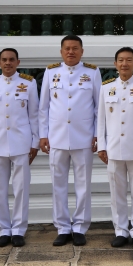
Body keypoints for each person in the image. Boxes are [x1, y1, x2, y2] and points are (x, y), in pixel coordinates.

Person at [39, 35, 101, 247]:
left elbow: (98, 107)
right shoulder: (51, 72)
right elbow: (43, 107)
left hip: (83, 136)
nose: (71, 52)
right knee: (58, 185)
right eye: (67, 48)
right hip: (56, 137)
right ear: (61, 51)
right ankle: (63, 227)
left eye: (75, 48)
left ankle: (80, 227)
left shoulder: (92, 72)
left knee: (83, 185)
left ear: (82, 51)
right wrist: (43, 134)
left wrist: (97, 134)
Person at [97, 47, 133, 248]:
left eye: (129, 60)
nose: (124, 64)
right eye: (121, 60)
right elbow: (101, 120)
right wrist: (101, 146)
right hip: (113, 148)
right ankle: (120, 230)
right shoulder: (106, 88)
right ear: (115, 64)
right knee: (117, 193)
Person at [0, 48, 39, 248]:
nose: (8, 63)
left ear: (18, 62)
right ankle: (4, 230)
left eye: (11, 60)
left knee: (21, 189)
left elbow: (34, 114)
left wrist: (35, 142)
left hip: (21, 142)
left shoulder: (28, 83)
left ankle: (19, 230)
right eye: (4, 60)